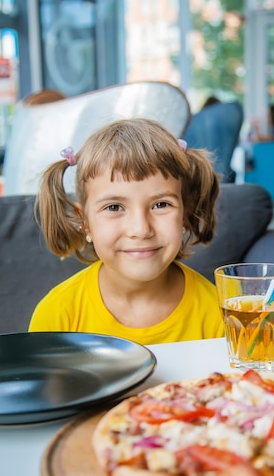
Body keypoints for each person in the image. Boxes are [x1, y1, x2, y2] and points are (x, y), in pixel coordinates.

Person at [29, 118, 224, 344]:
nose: (140, 230)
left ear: (185, 213)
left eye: (161, 205)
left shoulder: (220, 315)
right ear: (84, 221)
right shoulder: (56, 314)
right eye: (114, 207)